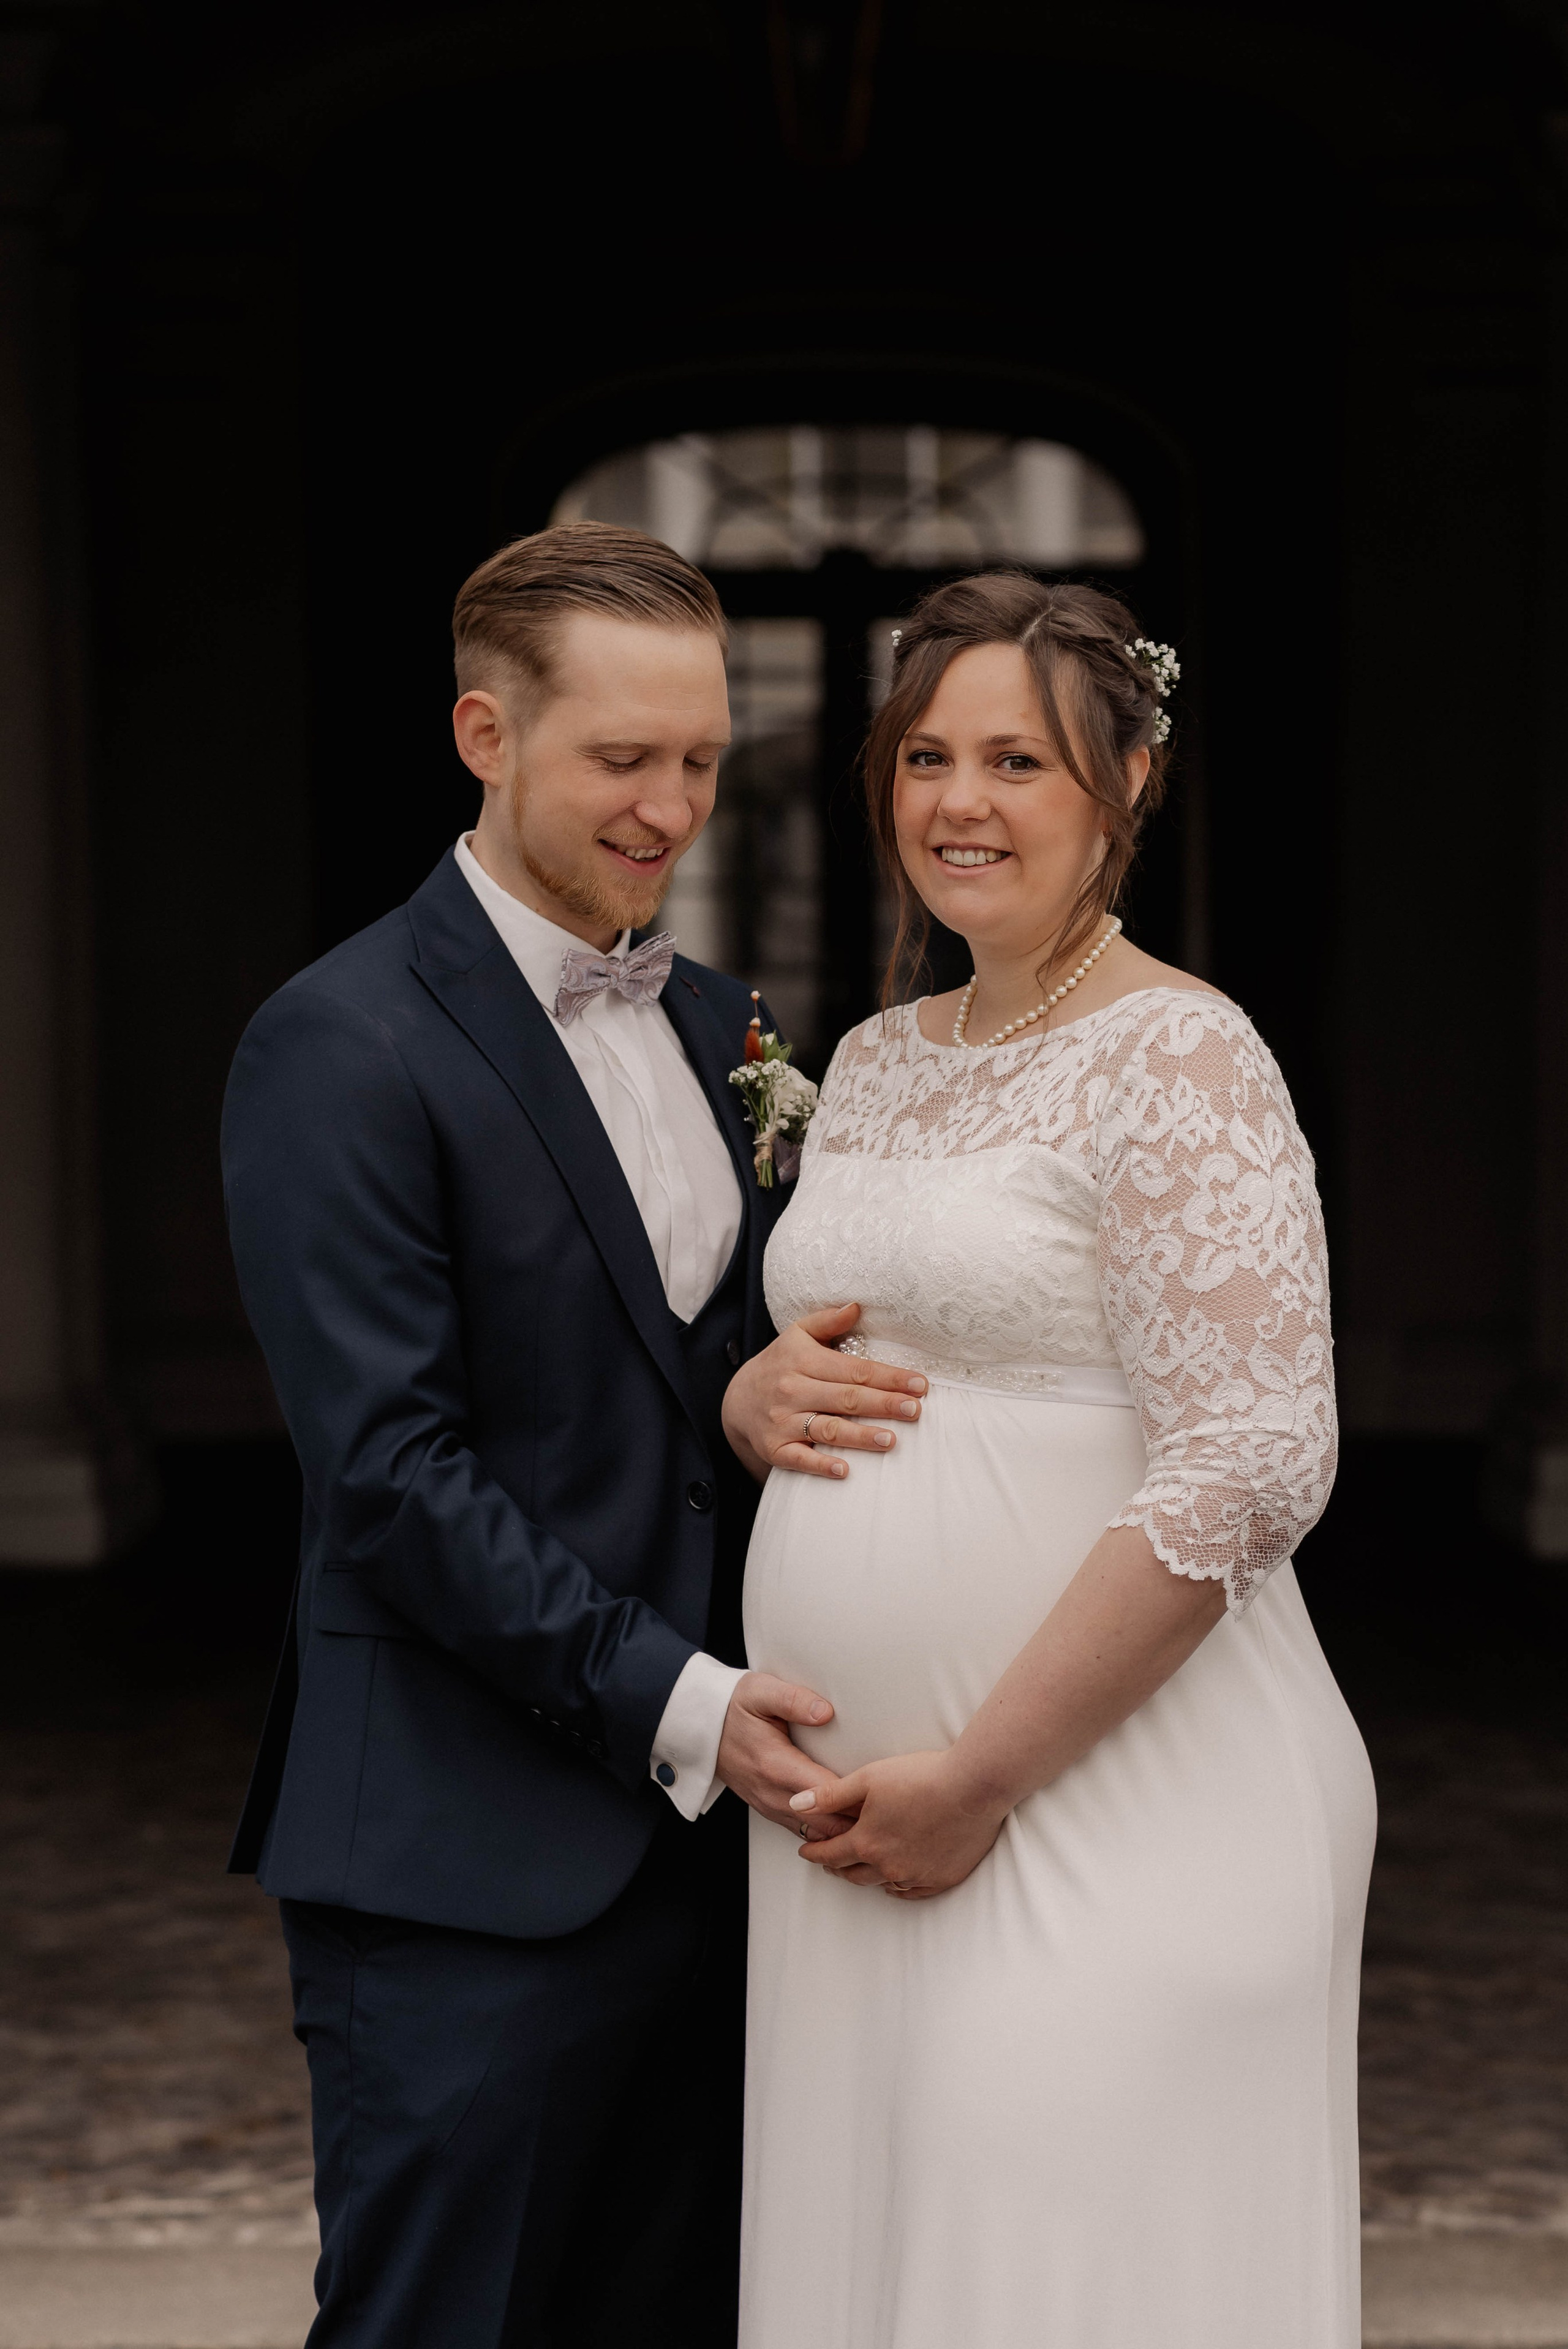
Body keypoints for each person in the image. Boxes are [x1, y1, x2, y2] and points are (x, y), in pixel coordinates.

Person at [219, 521, 927, 2349]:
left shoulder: (721, 1023)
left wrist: (753, 1394)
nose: (670, 805)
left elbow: (689, 1387)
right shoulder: (337, 1043)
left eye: (699, 757)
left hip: (723, 1867)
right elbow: (391, 1477)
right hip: (465, 1865)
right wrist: (689, 1698)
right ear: (485, 734)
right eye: (624, 757)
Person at [727, 573, 1378, 2349]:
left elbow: (1253, 1455)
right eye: (927, 753)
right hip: (865, 1831)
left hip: (1117, 1799)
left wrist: (983, 1773)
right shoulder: (865, 1061)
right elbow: (869, 1331)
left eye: (1019, 757)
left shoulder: (1184, 1052)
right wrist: (751, 1397)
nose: (960, 801)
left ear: (1132, 779)